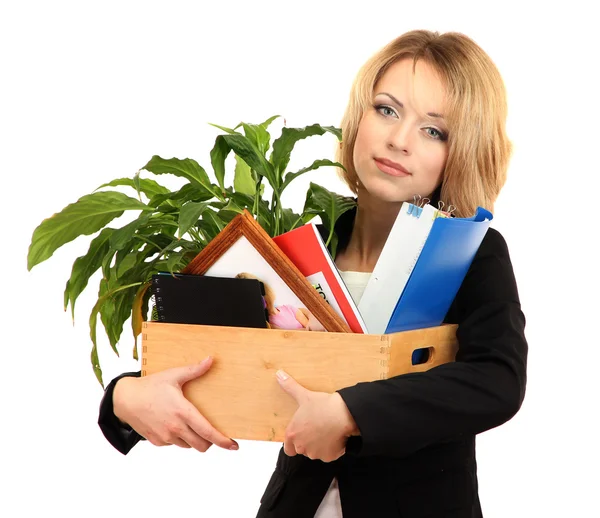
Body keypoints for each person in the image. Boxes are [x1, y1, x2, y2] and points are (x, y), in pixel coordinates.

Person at [98, 29, 527, 518]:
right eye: (386, 109)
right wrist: (124, 397)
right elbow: (223, 350)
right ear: (358, 117)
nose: (398, 139)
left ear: (463, 151)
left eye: (434, 130)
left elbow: (498, 380)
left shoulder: (470, 251)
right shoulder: (304, 242)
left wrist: (350, 412)